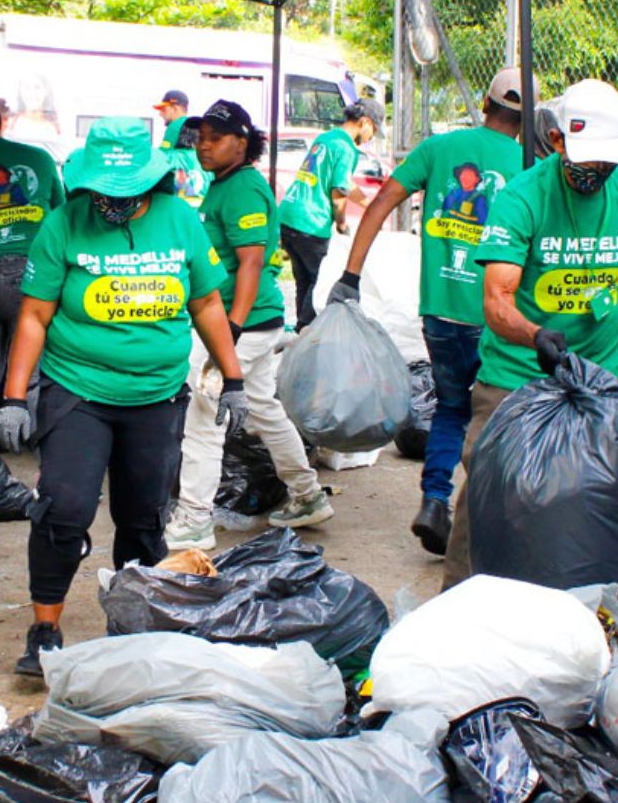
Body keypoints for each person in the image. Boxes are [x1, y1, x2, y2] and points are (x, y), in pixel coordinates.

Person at [0, 117, 246, 677]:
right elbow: (34, 314)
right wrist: (12, 397)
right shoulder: (64, 224)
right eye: (104, 190)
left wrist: (234, 378)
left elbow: (205, 303)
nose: (112, 200)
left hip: (155, 396)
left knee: (141, 519)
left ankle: (132, 623)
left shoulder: (180, 220)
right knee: (65, 508)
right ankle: (45, 629)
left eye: (125, 191)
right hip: (78, 389)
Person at [447, 78, 618, 587]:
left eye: (604, 163)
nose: (594, 174)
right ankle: (460, 598)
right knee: (490, 495)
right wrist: (534, 335)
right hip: (517, 378)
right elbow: (497, 301)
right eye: (585, 161)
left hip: (601, 379)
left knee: (597, 495)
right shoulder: (523, 198)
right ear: (557, 142)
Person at [331, 67, 528, 555]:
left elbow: (377, 207)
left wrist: (350, 277)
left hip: (440, 312)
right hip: (497, 315)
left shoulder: (437, 149)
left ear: (485, 104)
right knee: (502, 415)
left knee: (452, 407)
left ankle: (435, 499)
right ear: (528, 119)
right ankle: (489, 511)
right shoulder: (532, 164)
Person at [164, 100, 331, 550]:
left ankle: (195, 519)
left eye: (216, 139)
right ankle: (307, 494)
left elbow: (252, 262)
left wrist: (231, 329)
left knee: (206, 413)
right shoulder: (224, 184)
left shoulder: (243, 189)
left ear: (242, 142)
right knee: (261, 407)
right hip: (251, 321)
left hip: (246, 323)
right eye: (200, 138)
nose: (204, 146)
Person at [0, 81, 66, 431]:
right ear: (0, 123)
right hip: (31, 275)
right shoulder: (40, 159)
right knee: (30, 367)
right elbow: (61, 215)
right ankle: (32, 446)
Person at [279, 97, 383, 330]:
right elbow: (339, 191)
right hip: (311, 222)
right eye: (373, 132)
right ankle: (307, 330)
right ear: (365, 122)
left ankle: (301, 328)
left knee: (303, 279)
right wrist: (341, 224)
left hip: (289, 216)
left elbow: (344, 183)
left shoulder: (326, 138)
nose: (370, 139)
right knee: (317, 281)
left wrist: (371, 204)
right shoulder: (347, 148)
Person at [154, 88, 209, 205]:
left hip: (177, 203)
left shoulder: (175, 126)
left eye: (164, 109)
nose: (160, 114)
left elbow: (161, 159)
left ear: (175, 108)